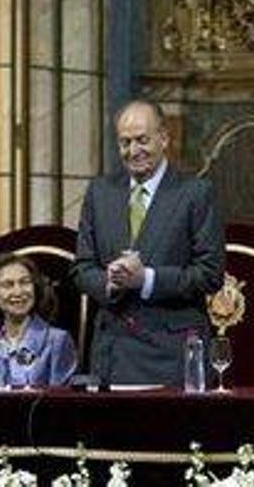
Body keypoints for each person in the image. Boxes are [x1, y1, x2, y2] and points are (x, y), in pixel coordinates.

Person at [73, 99, 225, 385]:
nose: (133, 151)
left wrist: (147, 279)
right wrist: (110, 281)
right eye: (125, 143)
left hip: (172, 353)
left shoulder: (195, 193)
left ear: (164, 138)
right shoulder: (100, 192)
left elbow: (210, 273)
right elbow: (82, 267)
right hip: (112, 353)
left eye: (142, 140)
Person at [0, 253, 77, 386]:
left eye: (25, 282)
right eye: (8, 285)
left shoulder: (58, 340)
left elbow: (61, 400)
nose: (18, 292)